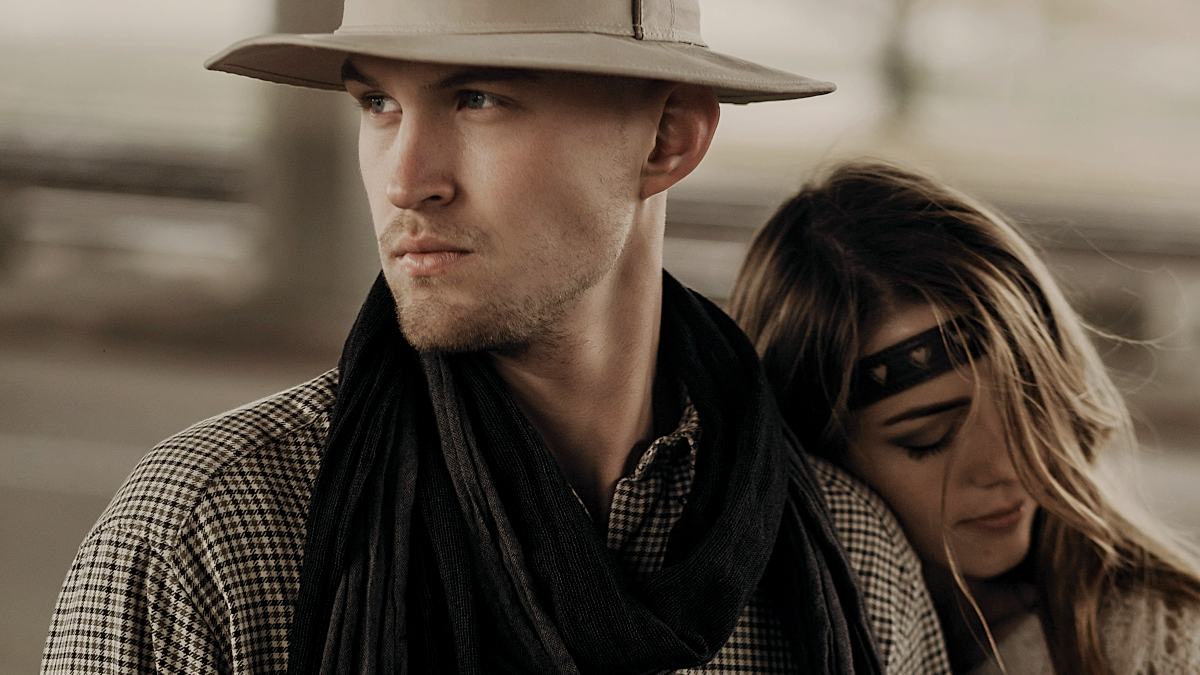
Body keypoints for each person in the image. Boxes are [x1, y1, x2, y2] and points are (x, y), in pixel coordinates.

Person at [39, 3, 953, 673]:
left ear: (667, 139)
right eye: (377, 105)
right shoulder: (212, 534)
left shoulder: (850, 558)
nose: (407, 181)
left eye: (478, 98)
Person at [729, 160, 1200, 674]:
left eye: (1029, 407)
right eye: (929, 438)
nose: (1005, 466)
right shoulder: (751, 641)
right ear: (817, 455)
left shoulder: (1155, 646)